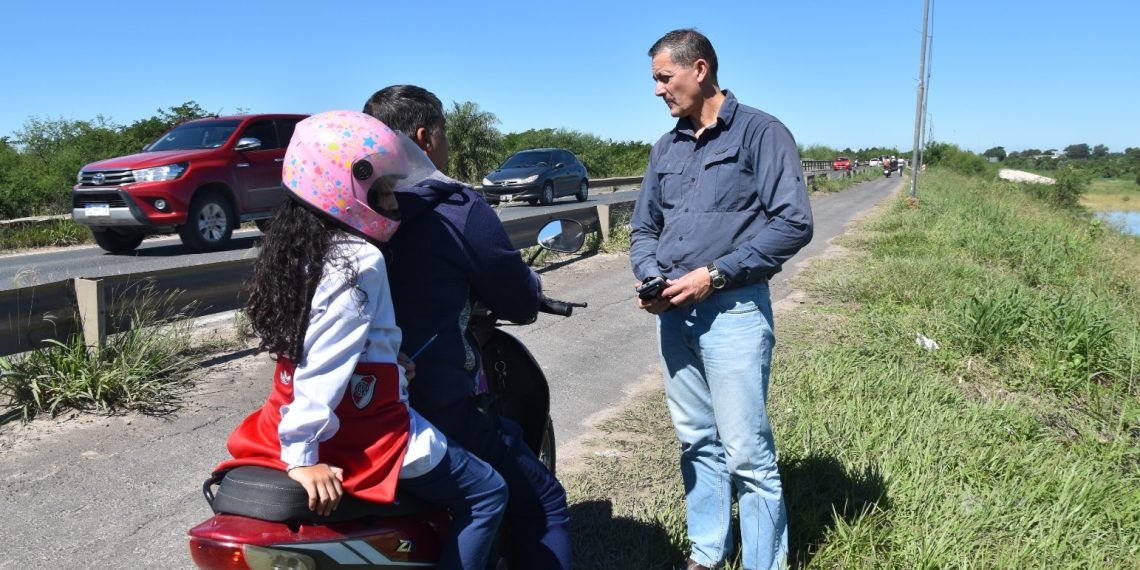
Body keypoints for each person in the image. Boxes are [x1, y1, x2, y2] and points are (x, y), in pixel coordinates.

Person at [213, 110, 508, 570]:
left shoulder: (301, 245)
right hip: (361, 429)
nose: (392, 205)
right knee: (488, 492)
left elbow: (320, 341)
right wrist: (302, 455)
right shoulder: (359, 258)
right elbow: (326, 359)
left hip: (283, 411)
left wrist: (390, 359)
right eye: (383, 191)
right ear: (347, 184)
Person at [362, 85, 573, 569]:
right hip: (434, 404)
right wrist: (531, 286)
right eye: (443, 134)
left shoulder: (342, 211)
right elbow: (517, 296)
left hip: (348, 409)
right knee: (543, 504)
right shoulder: (455, 208)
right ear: (426, 136)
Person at [630, 29, 814, 570]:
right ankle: (707, 553)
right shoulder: (665, 147)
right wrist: (650, 278)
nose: (658, 91)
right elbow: (644, 227)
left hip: (732, 311)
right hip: (675, 317)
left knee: (749, 456)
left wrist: (715, 274)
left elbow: (794, 222)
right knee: (696, 442)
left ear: (700, 69)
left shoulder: (761, 133)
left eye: (665, 78)